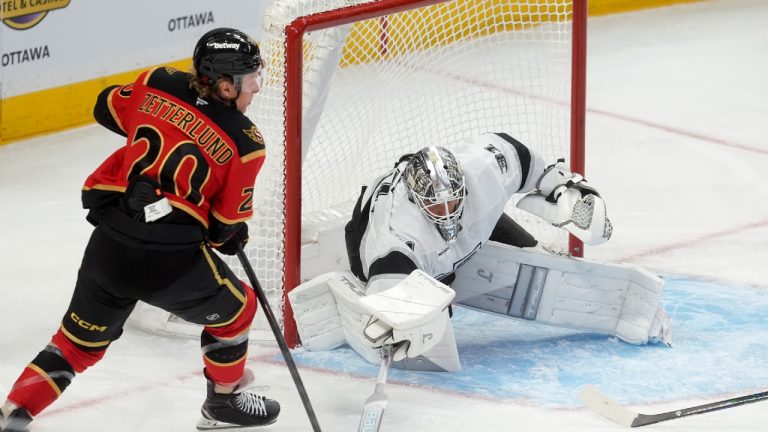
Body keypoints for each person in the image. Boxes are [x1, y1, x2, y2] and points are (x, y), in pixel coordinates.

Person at [0, 28, 280, 432]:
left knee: (74, 346)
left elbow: (105, 107)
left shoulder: (156, 82)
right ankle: (223, 403)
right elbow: (222, 232)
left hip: (110, 246)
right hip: (173, 264)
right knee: (238, 310)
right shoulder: (245, 142)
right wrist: (232, 234)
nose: (255, 91)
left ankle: (15, 411)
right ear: (223, 85)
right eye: (250, 82)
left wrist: (161, 126)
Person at [288, 132, 671, 372]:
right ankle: (362, 285)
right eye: (437, 208)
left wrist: (563, 189)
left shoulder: (485, 168)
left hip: (458, 235)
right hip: (371, 239)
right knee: (425, 319)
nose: (448, 213)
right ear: (419, 203)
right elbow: (395, 303)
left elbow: (528, 162)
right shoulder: (394, 236)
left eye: (454, 201)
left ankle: (488, 256)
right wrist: (398, 319)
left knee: (532, 253)